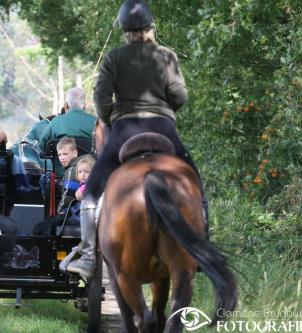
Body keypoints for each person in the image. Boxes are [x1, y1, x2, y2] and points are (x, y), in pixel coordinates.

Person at [65, 0, 208, 279]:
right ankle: (200, 246)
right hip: (163, 129)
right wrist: (165, 111)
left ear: (123, 29)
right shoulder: (166, 56)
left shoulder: (114, 58)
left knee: (92, 189)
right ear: (151, 26)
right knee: (195, 182)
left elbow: (102, 99)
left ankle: (86, 254)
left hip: (124, 131)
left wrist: (108, 118)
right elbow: (180, 95)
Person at [38, 87, 96, 176]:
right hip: (89, 176)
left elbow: (42, 146)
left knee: (43, 180)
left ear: (65, 105)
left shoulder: (56, 122)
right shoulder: (96, 122)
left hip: (60, 175)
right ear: (84, 105)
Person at [34, 137, 83, 235]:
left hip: (71, 212)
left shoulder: (72, 170)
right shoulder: (78, 166)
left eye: (65, 154)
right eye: (59, 155)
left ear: (75, 153)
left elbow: (67, 197)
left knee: (39, 228)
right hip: (76, 210)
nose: (62, 158)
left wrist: (59, 212)